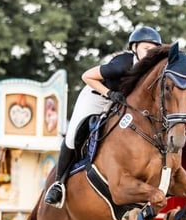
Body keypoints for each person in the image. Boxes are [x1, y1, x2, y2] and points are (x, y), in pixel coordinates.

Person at [44, 25, 163, 208]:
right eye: (147, 48)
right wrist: (109, 93)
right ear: (134, 48)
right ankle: (58, 184)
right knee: (72, 136)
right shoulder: (121, 64)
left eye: (154, 50)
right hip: (95, 96)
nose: (150, 53)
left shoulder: (150, 71)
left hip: (119, 102)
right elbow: (87, 76)